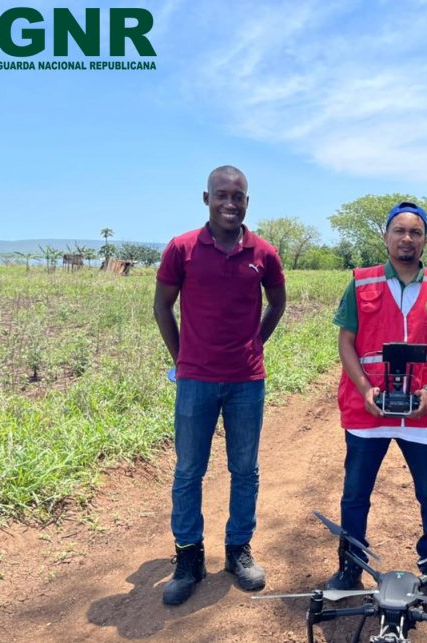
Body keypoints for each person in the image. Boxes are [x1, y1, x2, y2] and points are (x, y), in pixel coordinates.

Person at [326, 201, 427, 602]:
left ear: (425, 240)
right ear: (386, 236)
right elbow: (346, 341)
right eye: (400, 231)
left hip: (423, 412)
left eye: (415, 232)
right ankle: (350, 566)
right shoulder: (360, 282)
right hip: (368, 410)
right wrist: (363, 389)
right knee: (355, 493)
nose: (407, 238)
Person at [154, 165, 286, 605]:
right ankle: (188, 557)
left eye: (239, 196)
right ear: (206, 198)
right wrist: (183, 359)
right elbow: (162, 309)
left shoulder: (263, 253)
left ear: (247, 202)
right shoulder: (183, 248)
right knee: (189, 470)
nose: (230, 203)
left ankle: (238, 551)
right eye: (222, 195)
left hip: (247, 381)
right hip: (195, 381)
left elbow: (278, 303)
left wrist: (254, 343)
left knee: (244, 469)